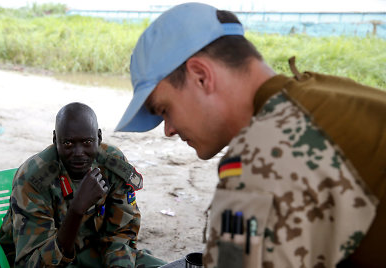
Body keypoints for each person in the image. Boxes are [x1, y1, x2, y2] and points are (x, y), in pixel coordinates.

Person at [115, 2, 386, 268]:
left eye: (164, 110)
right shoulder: (334, 95)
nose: (168, 130)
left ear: (200, 75)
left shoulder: (262, 157)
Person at [0, 102, 166, 267]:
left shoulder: (112, 164)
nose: (78, 153)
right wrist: (76, 210)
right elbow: (33, 263)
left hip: (92, 252)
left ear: (98, 137)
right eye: (68, 143)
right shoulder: (33, 180)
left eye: (87, 142)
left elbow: (121, 233)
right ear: (55, 140)